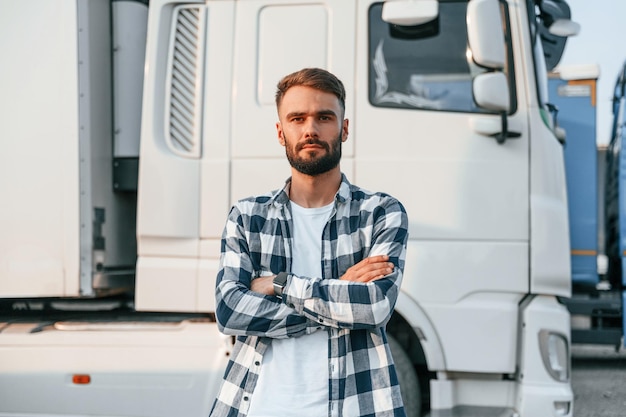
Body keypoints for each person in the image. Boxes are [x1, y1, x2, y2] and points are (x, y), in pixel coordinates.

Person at [210, 68, 409, 417]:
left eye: (324, 117)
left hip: (355, 407)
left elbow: (373, 306)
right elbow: (229, 311)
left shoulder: (380, 212)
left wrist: (279, 284)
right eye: (297, 118)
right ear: (280, 131)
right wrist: (338, 294)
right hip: (259, 406)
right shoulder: (248, 217)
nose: (310, 130)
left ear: (344, 128)